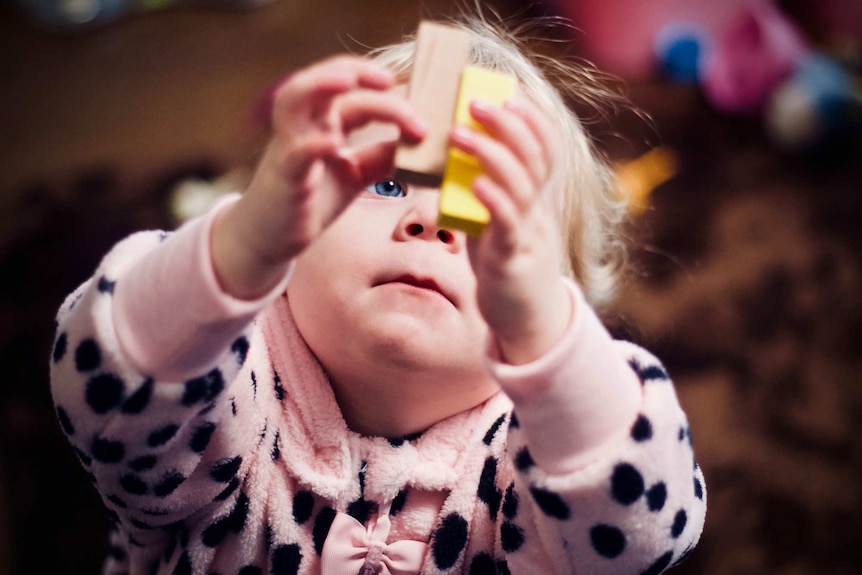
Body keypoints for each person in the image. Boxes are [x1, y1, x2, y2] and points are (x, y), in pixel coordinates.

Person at [50, 13, 706, 575]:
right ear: (292, 236)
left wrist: (550, 341)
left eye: (484, 213)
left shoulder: (533, 465)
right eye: (387, 184)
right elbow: (106, 387)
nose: (430, 222)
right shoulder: (227, 388)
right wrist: (243, 246)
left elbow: (640, 539)